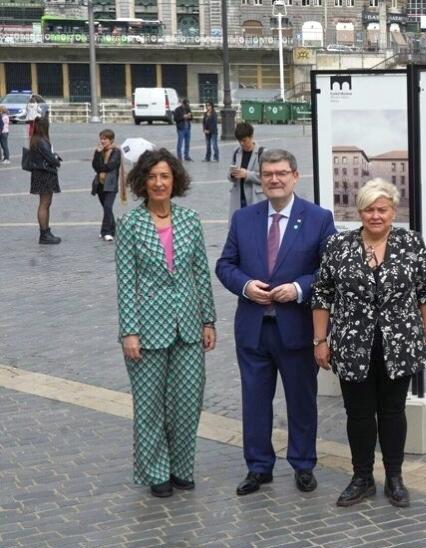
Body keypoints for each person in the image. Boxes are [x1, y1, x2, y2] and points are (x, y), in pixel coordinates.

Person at [216, 149, 337, 497]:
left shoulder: (317, 218)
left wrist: (299, 288)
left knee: (301, 401)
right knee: (254, 400)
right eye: (268, 173)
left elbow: (329, 271)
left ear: (295, 176)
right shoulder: (244, 218)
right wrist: (245, 285)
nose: (274, 179)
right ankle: (258, 467)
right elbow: (226, 264)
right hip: (253, 328)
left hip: (296, 329)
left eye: (281, 173)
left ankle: (303, 464)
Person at [312, 178, 426, 509]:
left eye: (382, 209)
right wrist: (320, 339)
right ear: (360, 212)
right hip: (353, 343)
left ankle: (394, 477)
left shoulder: (411, 243)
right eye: (369, 209)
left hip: (400, 343)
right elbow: (322, 293)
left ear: (393, 211)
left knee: (394, 411)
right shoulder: (340, 245)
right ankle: (362, 477)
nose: (375, 216)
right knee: (359, 413)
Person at [116, 148, 217, 498]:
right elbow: (126, 282)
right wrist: (129, 331)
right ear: (143, 181)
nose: (159, 183)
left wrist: (208, 319)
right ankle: (156, 470)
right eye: (152, 177)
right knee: (149, 406)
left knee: (188, 402)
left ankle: (181, 467)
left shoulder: (190, 219)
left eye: (165, 176)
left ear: (175, 180)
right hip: (146, 330)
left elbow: (200, 273)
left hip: (188, 326)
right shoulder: (130, 223)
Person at [27, 116, 62, 245]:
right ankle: (44, 234)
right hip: (44, 174)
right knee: (44, 204)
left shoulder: (36, 139)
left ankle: (46, 231)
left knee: (46, 204)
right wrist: (56, 160)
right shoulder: (41, 141)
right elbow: (50, 158)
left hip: (41, 173)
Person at [228, 122, 266, 216]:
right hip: (238, 199)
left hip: (255, 198)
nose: (242, 143)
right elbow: (229, 176)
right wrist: (232, 174)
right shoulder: (236, 151)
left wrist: (247, 174)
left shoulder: (263, 153)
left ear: (251, 136)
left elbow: (266, 177)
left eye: (244, 140)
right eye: (239, 141)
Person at [91, 128, 123, 241]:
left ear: (111, 140)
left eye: (105, 139)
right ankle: (106, 230)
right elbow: (95, 166)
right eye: (101, 138)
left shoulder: (116, 152)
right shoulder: (100, 151)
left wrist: (101, 167)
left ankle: (109, 232)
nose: (102, 141)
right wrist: (98, 153)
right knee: (106, 208)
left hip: (110, 184)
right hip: (100, 184)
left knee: (108, 207)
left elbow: (110, 166)